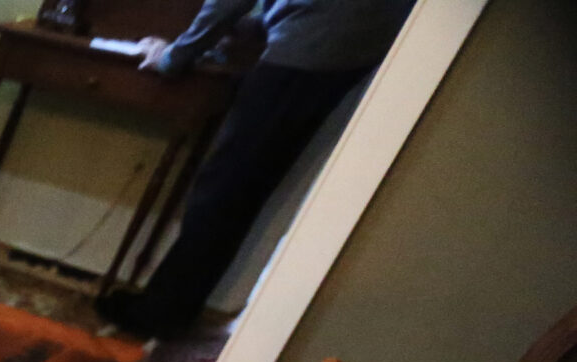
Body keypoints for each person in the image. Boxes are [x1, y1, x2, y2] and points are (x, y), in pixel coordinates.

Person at [98, 0, 415, 339]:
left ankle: (160, 314)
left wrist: (171, 57)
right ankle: (171, 309)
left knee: (226, 190)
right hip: (350, 45)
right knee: (238, 190)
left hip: (310, 51)